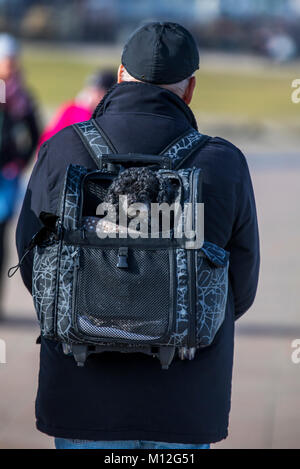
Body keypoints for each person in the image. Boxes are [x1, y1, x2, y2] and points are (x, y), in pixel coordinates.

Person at [16, 22, 260, 449]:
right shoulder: (223, 163)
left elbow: (32, 262)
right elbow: (241, 285)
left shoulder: (63, 149)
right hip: (185, 399)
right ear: (190, 90)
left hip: (81, 397)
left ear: (120, 73)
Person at [0, 34, 39, 318]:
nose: (10, 65)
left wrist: (21, 161)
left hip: (6, 176)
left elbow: (35, 132)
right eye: (5, 60)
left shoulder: (21, 95)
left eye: (13, 60)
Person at [37, 70, 116, 150]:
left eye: (99, 92)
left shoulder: (109, 115)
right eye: (92, 90)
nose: (93, 95)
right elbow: (47, 139)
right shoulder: (74, 110)